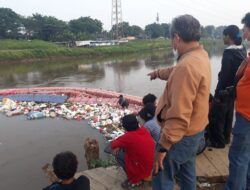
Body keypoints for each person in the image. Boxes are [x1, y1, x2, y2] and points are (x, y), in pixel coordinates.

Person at [148, 15, 211, 190]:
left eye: (171, 39)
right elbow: (177, 72)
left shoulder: (186, 66)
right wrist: (158, 73)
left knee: (162, 177)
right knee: (187, 172)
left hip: (180, 137)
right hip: (195, 131)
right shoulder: (200, 55)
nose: (171, 43)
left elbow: (179, 114)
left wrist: (163, 147)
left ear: (176, 37)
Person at [208, 25, 247, 148]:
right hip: (235, 89)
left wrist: (217, 92)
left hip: (225, 90)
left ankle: (218, 142)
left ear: (228, 37)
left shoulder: (228, 53)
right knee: (229, 114)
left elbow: (224, 76)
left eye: (223, 36)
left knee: (217, 115)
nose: (222, 38)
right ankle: (226, 138)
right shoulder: (242, 49)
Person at [224, 12, 250, 190]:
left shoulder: (231, 53)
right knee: (245, 156)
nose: (244, 32)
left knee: (238, 157)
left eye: (245, 27)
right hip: (244, 114)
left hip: (247, 117)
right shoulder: (246, 54)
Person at [108, 114, 154, 188]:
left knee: (118, 155)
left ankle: (134, 180)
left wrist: (118, 147)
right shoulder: (143, 129)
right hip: (152, 165)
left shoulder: (128, 137)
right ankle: (136, 176)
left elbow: (112, 144)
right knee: (126, 149)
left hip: (143, 169)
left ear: (125, 127)